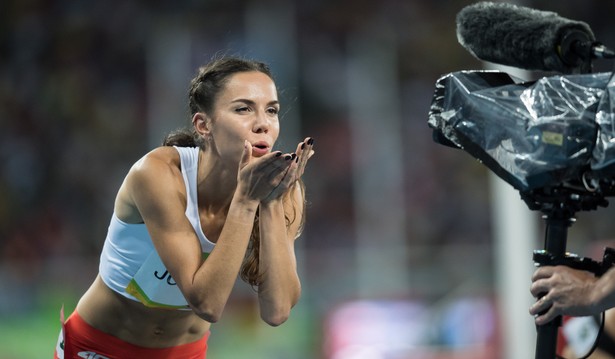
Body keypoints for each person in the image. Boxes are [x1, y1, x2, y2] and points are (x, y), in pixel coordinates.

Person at [53, 56, 315, 359]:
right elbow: (207, 304)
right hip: (99, 347)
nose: (262, 124)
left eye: (272, 110)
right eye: (243, 109)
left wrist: (268, 202)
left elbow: (277, 311)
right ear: (204, 125)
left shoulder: (280, 189)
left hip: (185, 352)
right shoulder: (158, 174)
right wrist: (245, 201)